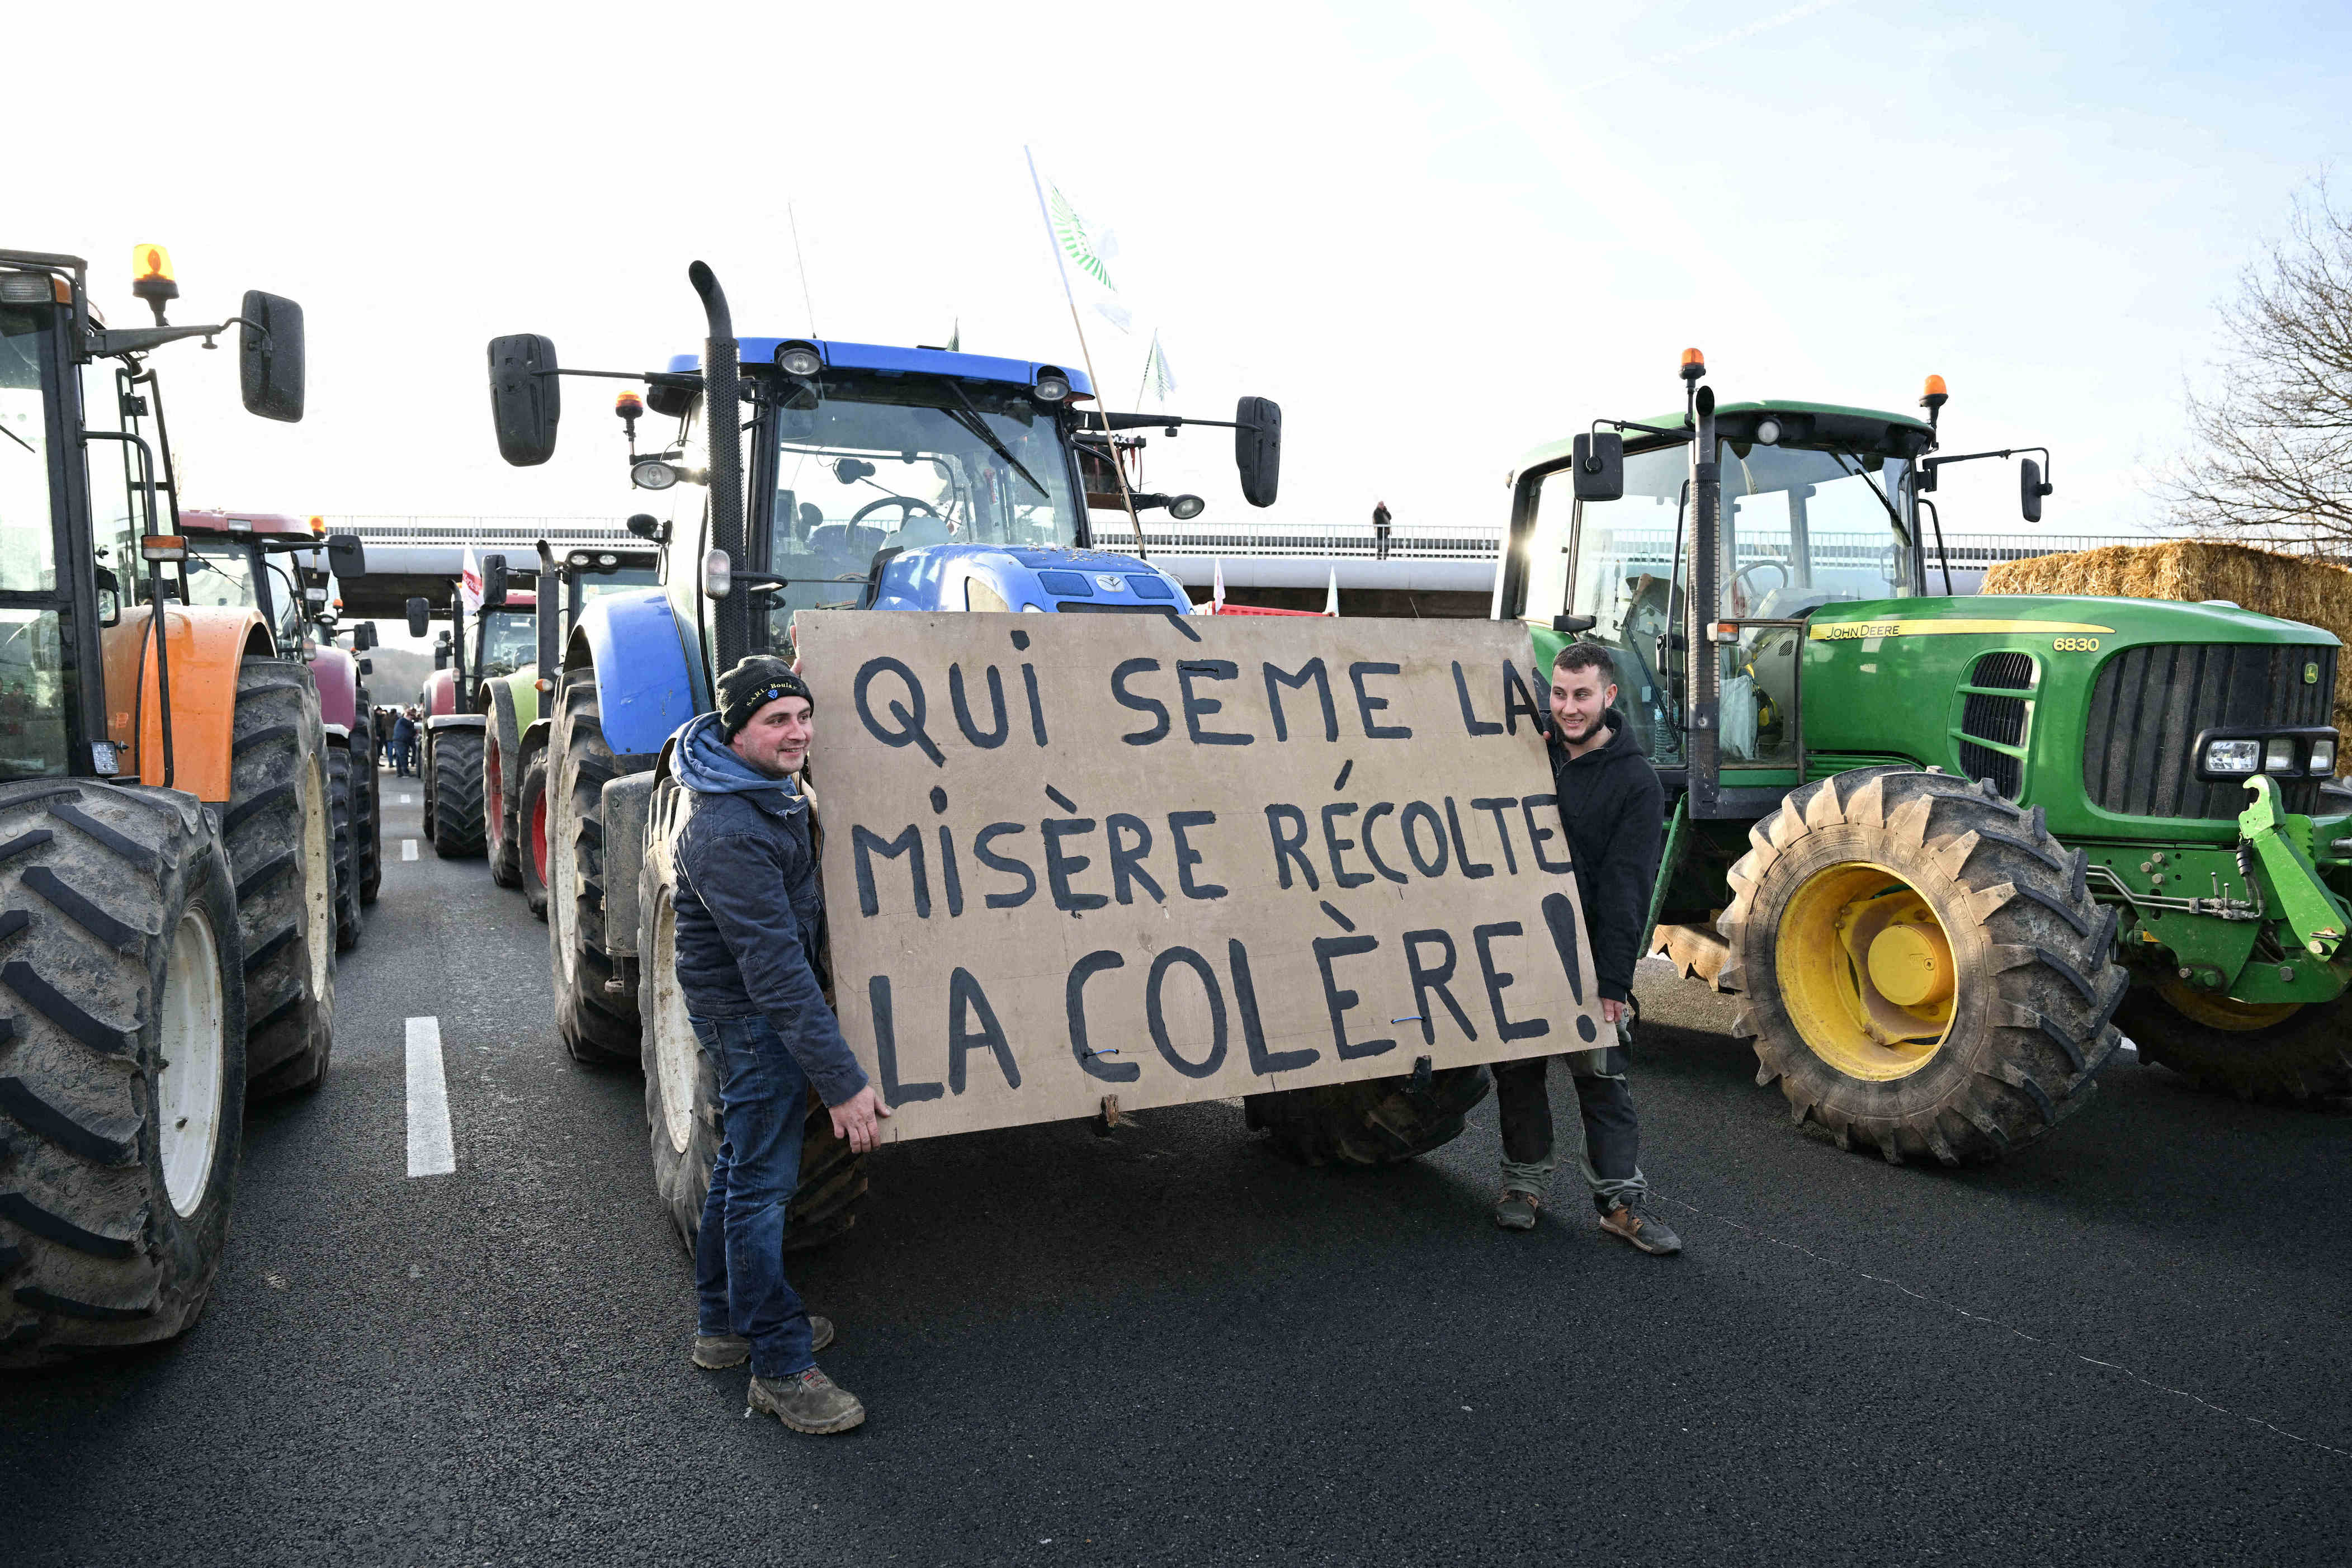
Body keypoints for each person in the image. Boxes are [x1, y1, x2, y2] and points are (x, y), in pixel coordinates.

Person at [672, 655, 889, 1435]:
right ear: (735, 736)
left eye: (803, 715)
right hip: (751, 1019)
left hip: (755, 1010)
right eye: (776, 721)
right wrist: (840, 1081)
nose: (797, 732)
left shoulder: (759, 787)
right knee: (763, 1187)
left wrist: (803, 663)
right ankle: (778, 1363)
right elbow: (775, 974)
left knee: (739, 1167)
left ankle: (723, 1324)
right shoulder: (728, 831)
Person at [1490, 641, 1683, 1255]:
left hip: (1588, 951)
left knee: (1602, 1077)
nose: (1567, 709)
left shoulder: (1637, 784)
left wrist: (1614, 985)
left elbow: (1629, 890)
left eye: (1581, 695)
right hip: (1519, 943)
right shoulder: (1525, 757)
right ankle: (1523, 1185)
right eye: (1559, 694)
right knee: (1517, 1070)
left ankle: (1621, 1203)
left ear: (1608, 697)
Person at [390, 706, 417, 778]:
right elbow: (411, 729)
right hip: (401, 741)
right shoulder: (404, 721)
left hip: (399, 741)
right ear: (408, 716)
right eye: (411, 718)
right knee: (403, 756)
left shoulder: (401, 721)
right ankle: (406, 772)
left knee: (399, 757)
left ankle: (400, 773)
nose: (412, 720)